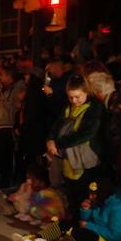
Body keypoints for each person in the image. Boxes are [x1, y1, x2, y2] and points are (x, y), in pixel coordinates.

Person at [46, 73, 105, 215]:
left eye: (78, 96)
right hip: (68, 159)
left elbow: (85, 134)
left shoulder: (95, 107)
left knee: (85, 198)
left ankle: (83, 230)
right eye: (70, 97)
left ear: (86, 92)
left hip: (86, 161)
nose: (74, 100)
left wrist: (58, 143)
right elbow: (57, 125)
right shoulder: (68, 107)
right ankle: (71, 228)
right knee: (71, 196)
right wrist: (50, 139)